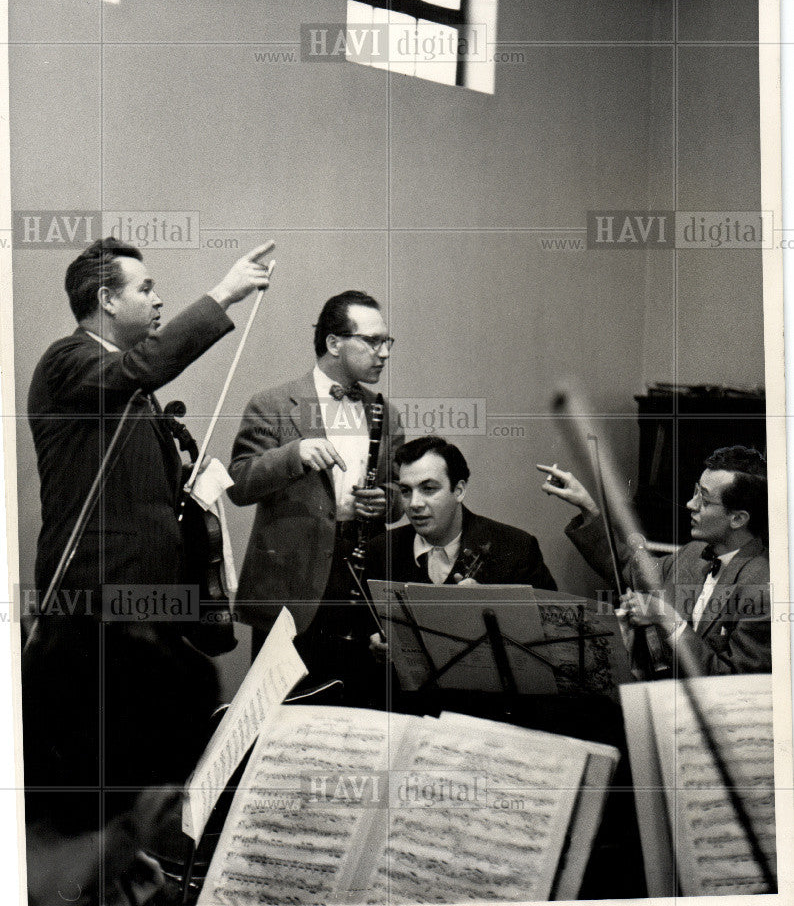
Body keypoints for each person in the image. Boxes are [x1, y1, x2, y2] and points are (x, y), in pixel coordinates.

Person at [23, 235, 275, 897]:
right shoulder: (70, 361)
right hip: (96, 613)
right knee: (97, 776)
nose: (158, 298)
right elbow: (141, 369)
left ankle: (135, 874)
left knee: (142, 770)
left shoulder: (130, 387)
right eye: (145, 288)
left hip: (143, 612)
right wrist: (224, 296)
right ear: (106, 300)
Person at [228, 290, 404, 701]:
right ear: (333, 343)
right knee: (280, 710)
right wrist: (294, 454)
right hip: (291, 584)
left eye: (386, 342)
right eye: (373, 341)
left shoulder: (385, 412)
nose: (384, 353)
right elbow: (238, 484)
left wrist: (387, 500)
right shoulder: (271, 403)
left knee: (356, 705)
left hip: (360, 577)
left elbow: (399, 489)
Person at [537, 445, 770, 676]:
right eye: (696, 492)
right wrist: (588, 507)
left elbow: (732, 681)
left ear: (738, 519)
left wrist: (667, 618)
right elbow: (629, 567)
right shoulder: (693, 553)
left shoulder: (765, 586)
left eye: (705, 501)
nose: (690, 504)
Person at [368, 436, 557, 588]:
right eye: (406, 491)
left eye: (429, 489)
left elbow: (551, 630)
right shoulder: (380, 550)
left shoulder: (517, 549)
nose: (414, 504)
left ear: (459, 491)